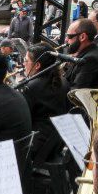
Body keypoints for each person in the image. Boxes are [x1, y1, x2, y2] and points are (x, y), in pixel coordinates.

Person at [19, 44, 69, 179]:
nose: (23, 64)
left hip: (37, 145)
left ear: (37, 65)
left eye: (26, 61)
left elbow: (22, 120)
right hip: (54, 143)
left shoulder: (32, 87)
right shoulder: (63, 82)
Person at [63, 18, 98, 90]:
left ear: (82, 37)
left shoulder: (90, 59)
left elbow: (75, 92)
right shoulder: (88, 53)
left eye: (69, 36)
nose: (66, 40)